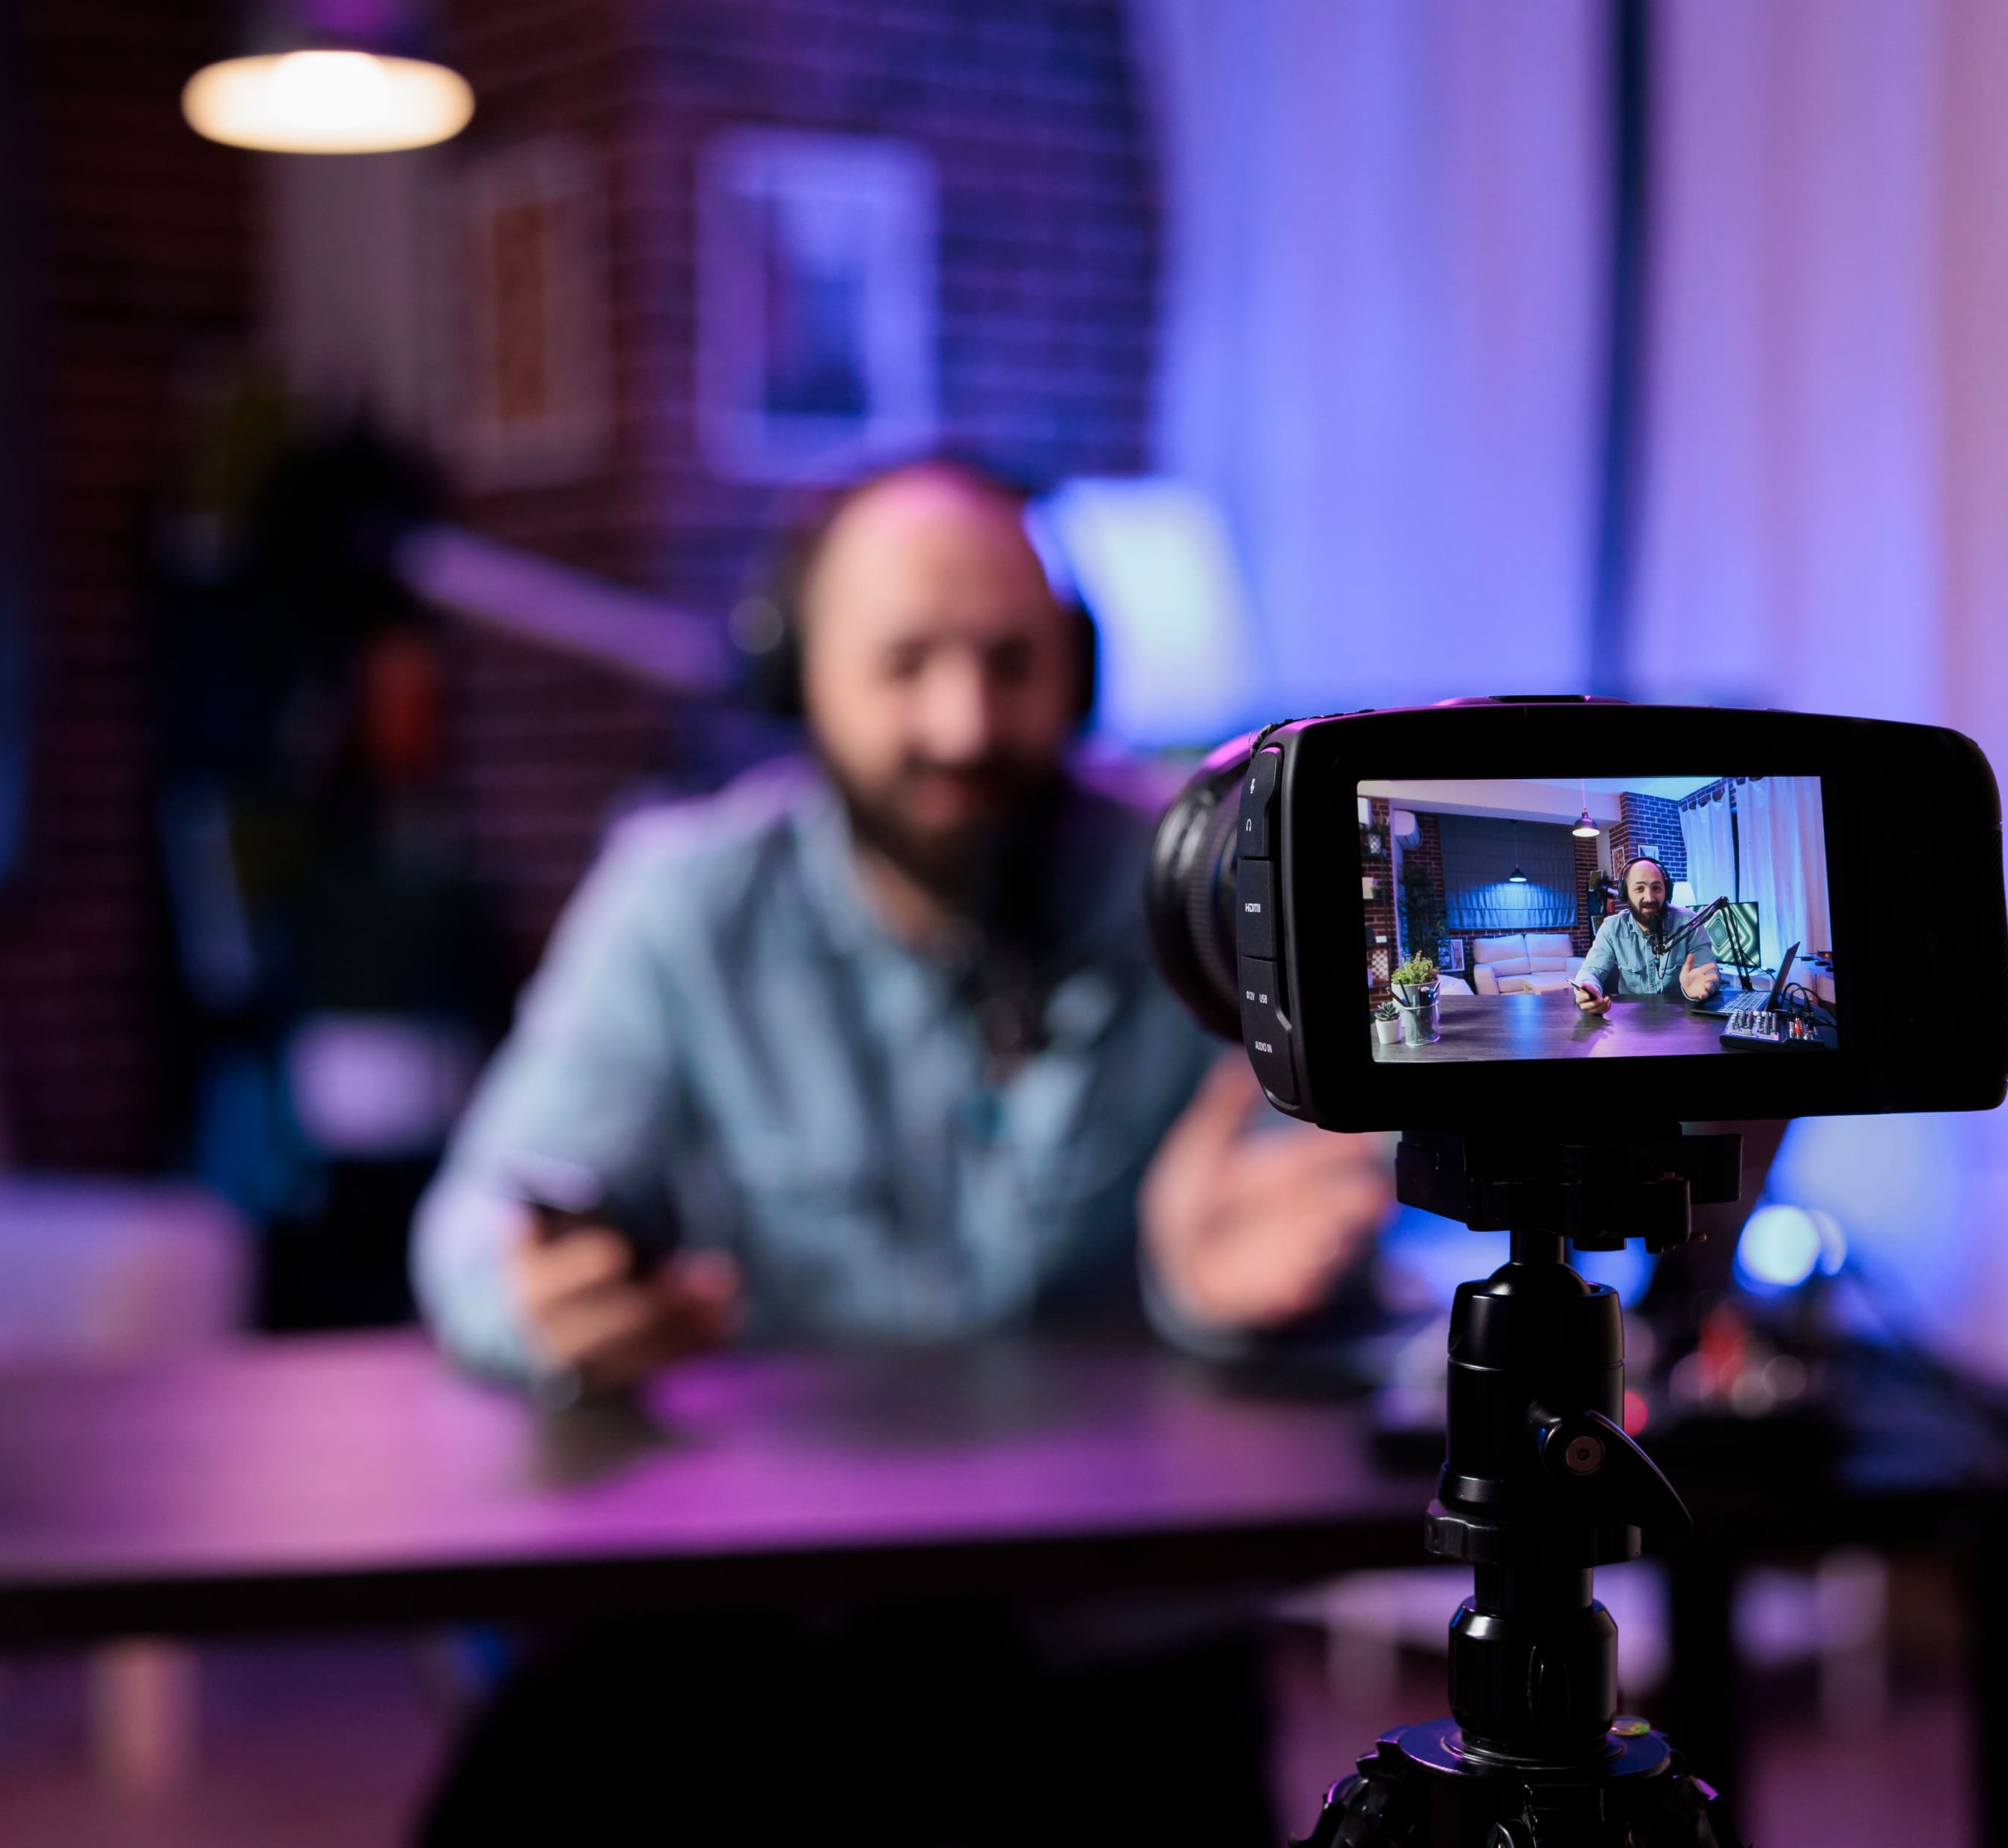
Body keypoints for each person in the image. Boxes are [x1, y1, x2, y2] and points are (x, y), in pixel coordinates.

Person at [408, 457, 1394, 1842]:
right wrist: (543, 1302)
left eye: (1011, 661)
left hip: (1111, 1652)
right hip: (760, 1633)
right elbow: (473, 1230)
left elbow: (1350, 1259)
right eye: (905, 664)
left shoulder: (1195, 891)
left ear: (1081, 665)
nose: (963, 720)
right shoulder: (682, 907)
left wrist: (1232, 1300)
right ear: (795, 675)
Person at [1570, 856, 1720, 1012]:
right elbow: (1591, 971)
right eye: (1639, 889)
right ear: (1625, 893)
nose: (1649, 898)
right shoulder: (1612, 928)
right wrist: (1589, 990)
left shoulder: (1690, 923)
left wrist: (1702, 988)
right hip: (1631, 1021)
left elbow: (1709, 971)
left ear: (1666, 891)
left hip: (1682, 1017)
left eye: (1656, 888)